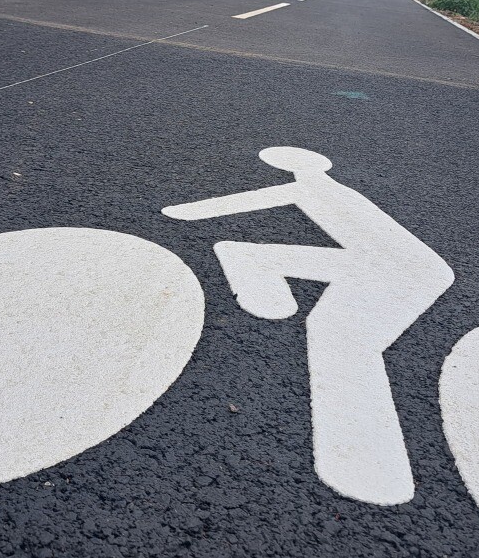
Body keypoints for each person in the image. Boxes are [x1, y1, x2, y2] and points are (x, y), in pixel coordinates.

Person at [164, 147, 455, 505]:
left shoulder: (315, 189)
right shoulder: (338, 190)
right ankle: (265, 291)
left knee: (340, 336)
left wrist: (183, 212)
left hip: (393, 269)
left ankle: (365, 465)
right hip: (388, 263)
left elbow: (256, 199)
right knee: (325, 320)